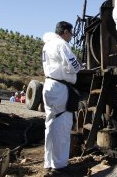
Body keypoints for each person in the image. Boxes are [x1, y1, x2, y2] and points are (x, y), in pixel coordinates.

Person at [42, 21, 81, 176]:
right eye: (71, 34)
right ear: (65, 32)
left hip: (49, 85)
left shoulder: (47, 45)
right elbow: (73, 65)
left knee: (51, 124)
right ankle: (59, 166)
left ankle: (48, 162)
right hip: (60, 88)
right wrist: (79, 66)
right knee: (63, 124)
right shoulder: (61, 44)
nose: (71, 37)